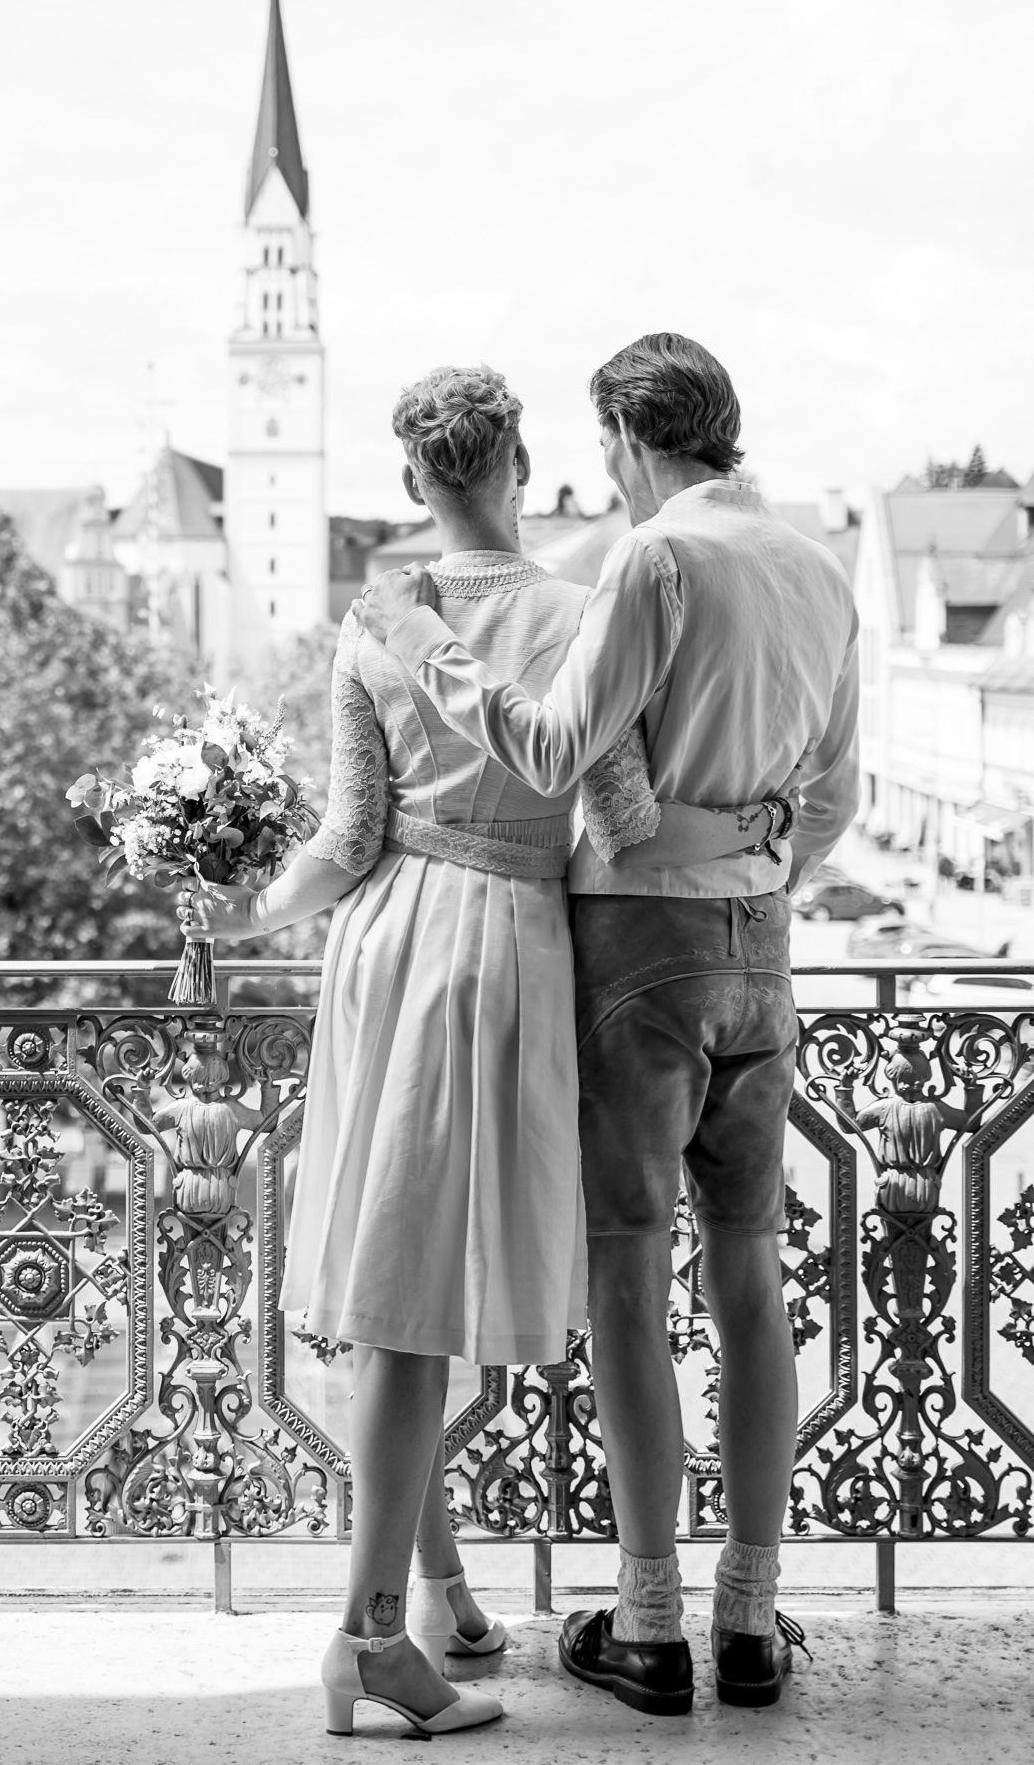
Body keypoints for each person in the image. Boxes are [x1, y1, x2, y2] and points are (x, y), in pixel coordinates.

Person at [191, 363, 790, 1738]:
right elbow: (625, 815)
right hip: (514, 953)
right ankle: (398, 1624)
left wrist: (241, 906)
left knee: (387, 1266)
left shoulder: (372, 626)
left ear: (413, 483)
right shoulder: (585, 606)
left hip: (387, 943)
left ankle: (445, 1596)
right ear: (521, 463)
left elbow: (344, 841)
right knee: (428, 1282)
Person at [359, 332, 858, 1718]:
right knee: (751, 1279)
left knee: (631, 1280)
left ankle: (649, 1627)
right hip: (768, 948)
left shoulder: (655, 558)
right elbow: (835, 801)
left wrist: (418, 639)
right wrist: (753, 868)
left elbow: (551, 748)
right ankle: (750, 1618)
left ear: (632, 443)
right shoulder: (821, 564)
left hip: (641, 943)